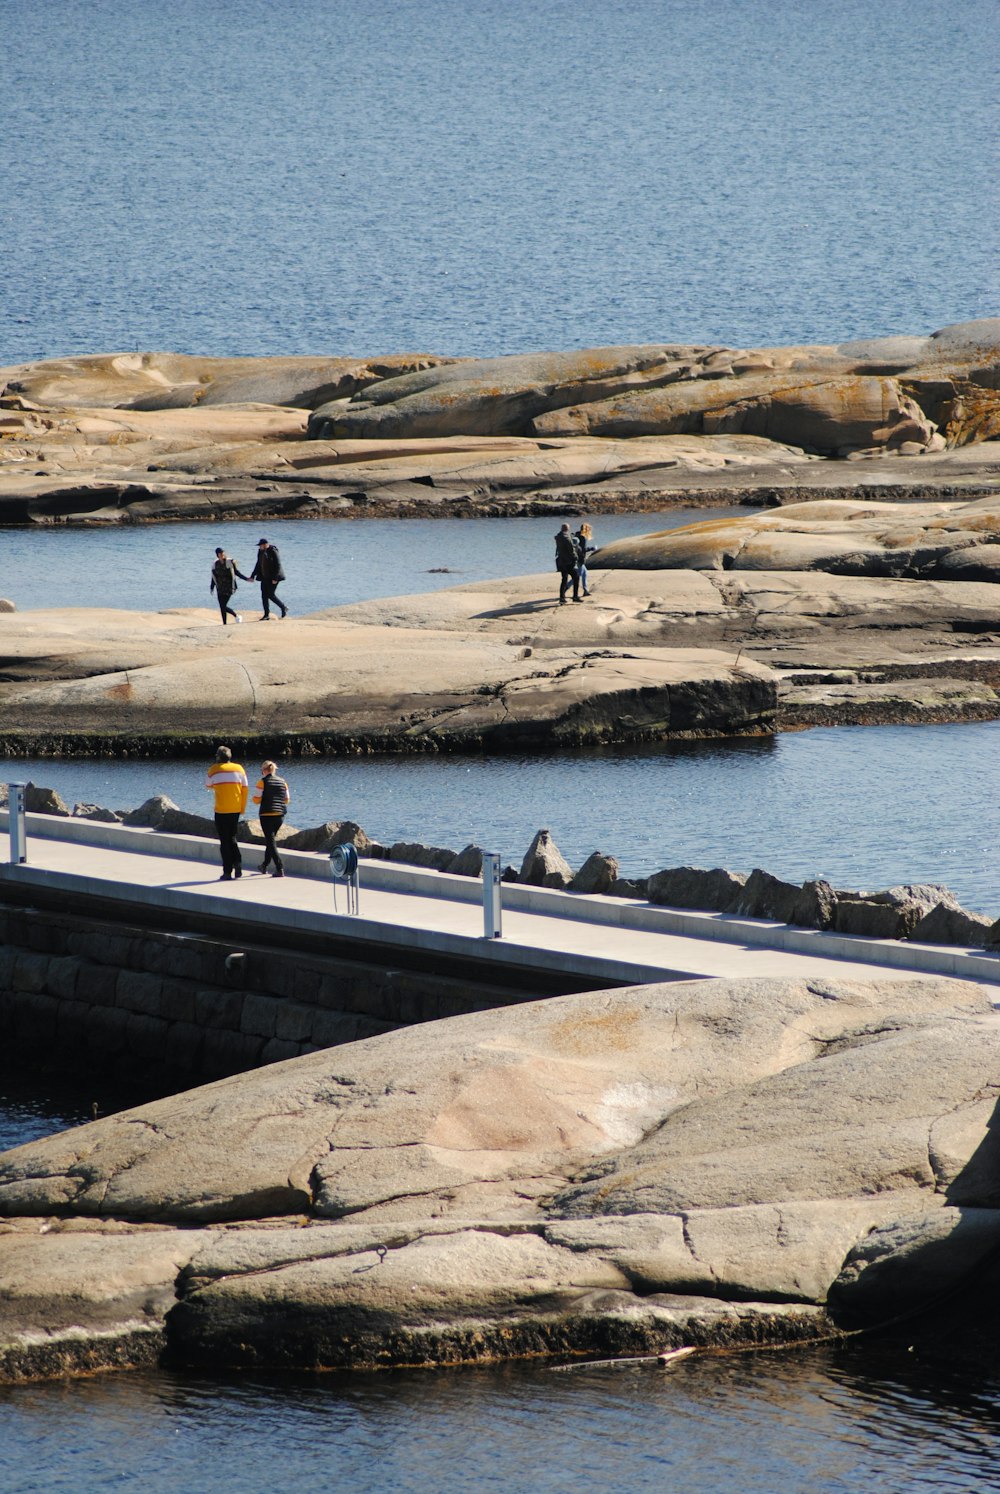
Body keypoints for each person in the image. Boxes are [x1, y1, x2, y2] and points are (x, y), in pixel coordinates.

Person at [205, 745, 248, 881]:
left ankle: (227, 871)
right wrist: (242, 808)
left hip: (221, 809)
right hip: (235, 809)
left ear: (218, 757)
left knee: (224, 841)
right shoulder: (239, 769)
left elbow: (208, 785)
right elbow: (245, 789)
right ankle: (238, 863)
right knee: (233, 837)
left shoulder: (214, 769)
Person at [253, 759, 291, 877]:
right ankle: (264, 865)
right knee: (271, 840)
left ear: (264, 770)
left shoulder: (262, 782)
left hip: (266, 814)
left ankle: (279, 868)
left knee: (270, 841)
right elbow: (287, 799)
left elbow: (256, 799)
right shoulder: (283, 782)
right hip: (280, 815)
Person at [209, 547, 250, 625]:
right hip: (220, 587)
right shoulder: (215, 564)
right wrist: (212, 587)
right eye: (220, 553)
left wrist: (246, 579)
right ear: (217, 555)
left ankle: (236, 615)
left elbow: (236, 572)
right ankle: (224, 623)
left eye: (223, 553)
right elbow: (214, 576)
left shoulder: (229, 562)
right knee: (222, 606)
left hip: (229, 587)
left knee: (223, 606)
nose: (222, 555)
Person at [249, 537, 288, 620]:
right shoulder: (260, 551)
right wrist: (253, 575)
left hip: (274, 577)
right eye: (259, 546)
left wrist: (275, 578)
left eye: (261, 545)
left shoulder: (273, 550)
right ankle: (266, 615)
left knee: (270, 594)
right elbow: (258, 564)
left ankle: (283, 607)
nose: (260, 547)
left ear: (266, 545)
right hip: (264, 577)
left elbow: (278, 565)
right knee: (264, 595)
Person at [554, 522, 581, 604]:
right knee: (576, 577)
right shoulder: (567, 538)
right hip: (568, 562)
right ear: (567, 529)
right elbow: (571, 550)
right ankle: (575, 596)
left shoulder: (558, 537)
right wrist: (575, 558)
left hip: (561, 561)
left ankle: (562, 597)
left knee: (564, 579)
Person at [574, 521, 596, 597]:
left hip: (576, 558)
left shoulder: (576, 535)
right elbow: (583, 549)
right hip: (580, 559)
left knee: (583, 573)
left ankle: (585, 590)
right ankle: (566, 588)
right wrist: (592, 548)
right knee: (578, 575)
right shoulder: (583, 537)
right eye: (589, 530)